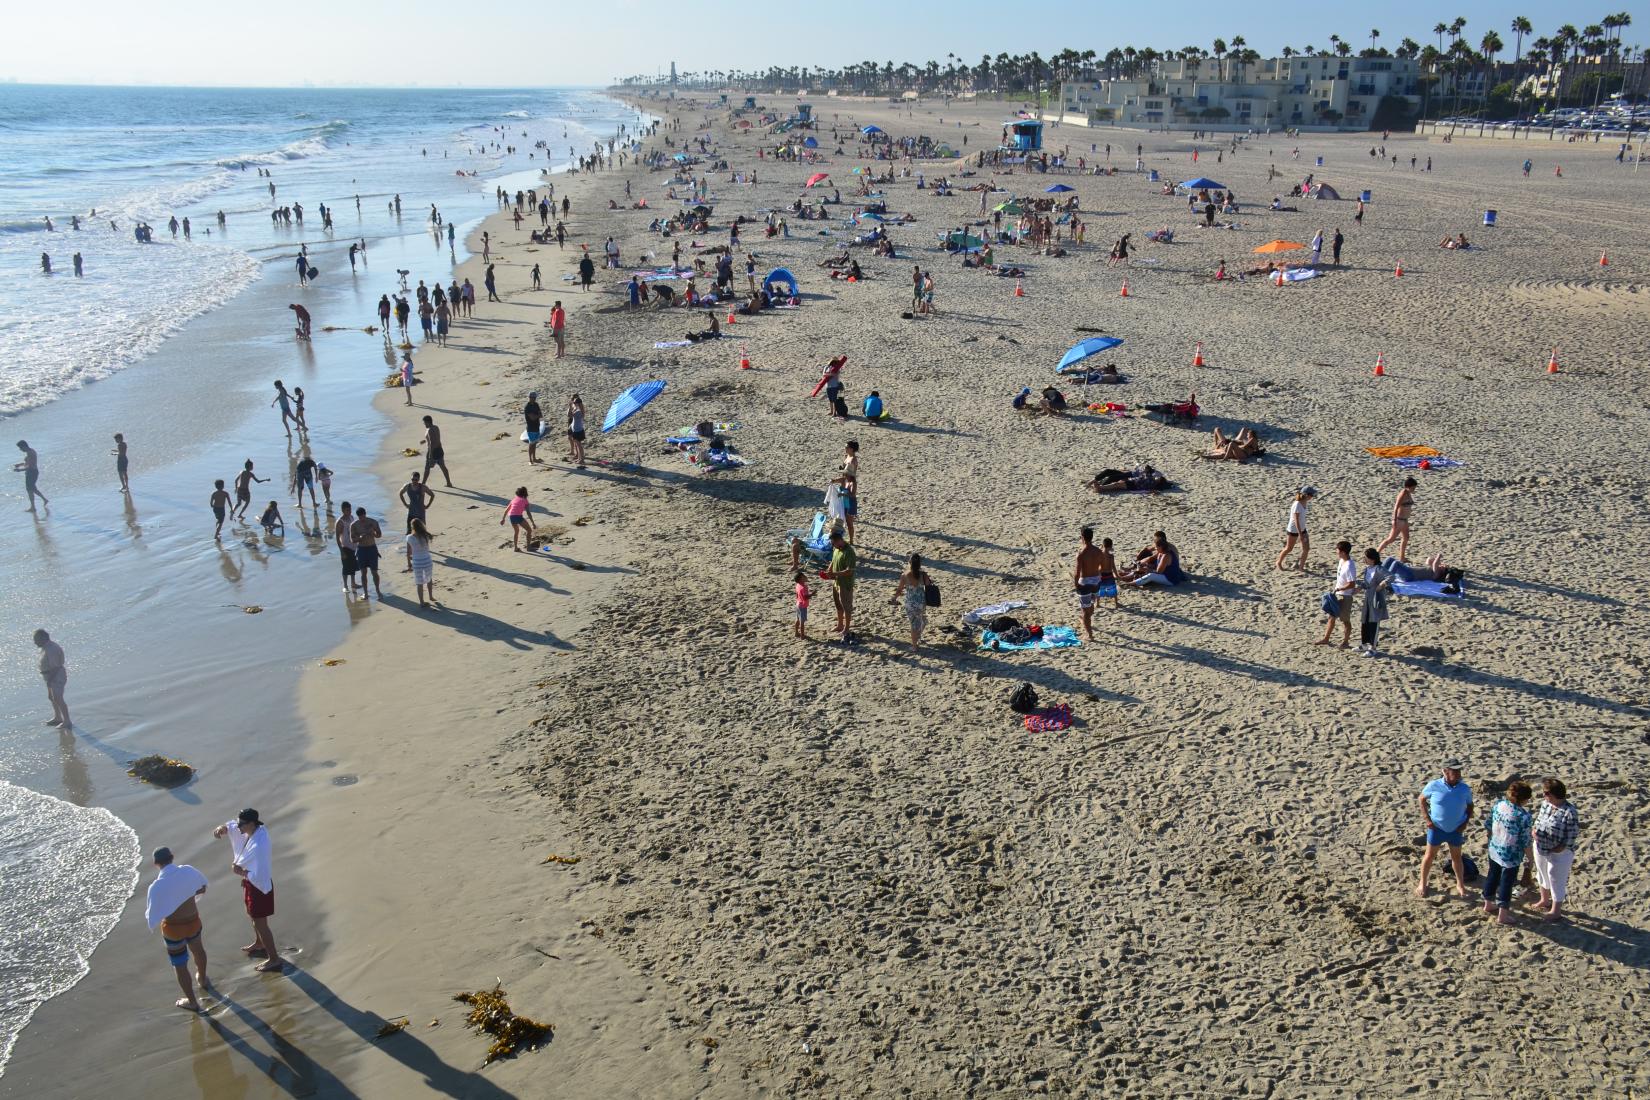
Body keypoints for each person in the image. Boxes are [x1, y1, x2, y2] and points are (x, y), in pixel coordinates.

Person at [213, 809, 284, 972]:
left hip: (259, 886)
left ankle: (274, 959)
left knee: (261, 923)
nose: (238, 827)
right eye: (238, 823)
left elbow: (259, 874)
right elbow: (231, 826)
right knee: (252, 915)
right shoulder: (257, 830)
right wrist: (222, 828)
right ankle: (259, 942)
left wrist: (241, 871)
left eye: (241, 824)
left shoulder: (258, 846)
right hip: (251, 884)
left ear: (251, 824)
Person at [145, 847, 210, 1010]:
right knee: (198, 951)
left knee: (180, 964)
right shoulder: (187, 871)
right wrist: (186, 894)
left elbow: (152, 915)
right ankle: (202, 978)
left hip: (173, 929)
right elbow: (202, 887)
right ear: (172, 857)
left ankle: (193, 1002)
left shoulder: (156, 886)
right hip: (193, 922)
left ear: (155, 864)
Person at [1417, 760, 1474, 898]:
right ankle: (1422, 883)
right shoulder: (1434, 785)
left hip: (1456, 830)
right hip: (1437, 829)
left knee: (1457, 857)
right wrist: (1427, 820)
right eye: (1454, 771)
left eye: (1459, 770)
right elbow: (1421, 799)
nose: (1458, 773)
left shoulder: (1464, 789)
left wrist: (1465, 823)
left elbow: (1470, 806)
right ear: (1445, 771)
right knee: (1429, 856)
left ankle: (1460, 884)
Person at [1483, 781, 1534, 926]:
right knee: (1506, 883)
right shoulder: (1523, 816)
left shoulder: (1499, 804)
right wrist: (1530, 859)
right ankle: (1502, 915)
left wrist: (1493, 840)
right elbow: (1526, 841)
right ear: (1524, 799)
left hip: (1494, 848)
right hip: (1511, 855)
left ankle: (1488, 903)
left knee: (1492, 876)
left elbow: (1488, 824)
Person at [1531, 777, 1579, 923]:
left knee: (1556, 878)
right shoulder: (1546, 804)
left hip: (1559, 852)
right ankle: (1544, 900)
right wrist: (1534, 831)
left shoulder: (1569, 812)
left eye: (1546, 793)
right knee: (1541, 872)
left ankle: (1556, 910)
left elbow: (1572, 834)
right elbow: (1539, 819)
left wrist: (1561, 847)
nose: (1544, 796)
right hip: (1540, 845)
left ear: (1554, 794)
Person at [1315, 541, 1358, 647]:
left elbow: (1352, 584)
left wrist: (1340, 588)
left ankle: (1345, 641)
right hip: (1337, 593)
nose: (1336, 552)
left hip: (1346, 596)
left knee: (1345, 620)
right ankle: (1326, 638)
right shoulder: (1341, 561)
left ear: (1343, 552)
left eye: (1337, 550)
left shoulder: (1350, 566)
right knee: (1331, 616)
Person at [1073, 527, 1112, 641]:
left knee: (1085, 610)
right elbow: (1102, 566)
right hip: (1096, 581)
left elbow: (1077, 573)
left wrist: (1076, 585)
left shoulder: (1081, 554)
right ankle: (1086, 620)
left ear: (1083, 538)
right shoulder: (1098, 551)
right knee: (1090, 605)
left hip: (1085, 582)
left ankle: (1089, 634)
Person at [889, 552, 933, 648]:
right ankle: (917, 637)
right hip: (921, 602)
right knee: (922, 620)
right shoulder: (923, 574)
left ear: (909, 562)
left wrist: (894, 598)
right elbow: (929, 585)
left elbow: (899, 590)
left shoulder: (905, 575)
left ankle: (914, 646)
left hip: (910, 603)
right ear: (920, 564)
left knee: (914, 623)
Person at [821, 527, 857, 643]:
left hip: (845, 584)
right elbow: (833, 560)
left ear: (839, 540)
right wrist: (829, 570)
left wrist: (834, 573)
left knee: (846, 606)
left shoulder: (849, 552)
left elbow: (849, 571)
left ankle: (846, 628)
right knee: (838, 605)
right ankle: (840, 624)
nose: (833, 546)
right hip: (836, 582)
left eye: (833, 543)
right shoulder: (837, 549)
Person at [1357, 548, 1392, 656]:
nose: (1364, 559)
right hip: (1368, 597)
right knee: (1365, 620)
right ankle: (1364, 644)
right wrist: (1359, 587)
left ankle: (1373, 647)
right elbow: (1366, 584)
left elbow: (1391, 577)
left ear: (1372, 559)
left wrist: (1382, 585)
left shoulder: (1379, 569)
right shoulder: (1367, 569)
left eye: (1366, 558)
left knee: (1374, 621)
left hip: (1376, 598)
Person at [33, 629, 70, 728]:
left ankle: (67, 721)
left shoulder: (52, 649)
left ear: (44, 638)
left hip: (56, 676)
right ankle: (58, 717)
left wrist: (50, 680)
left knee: (58, 698)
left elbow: (56, 667)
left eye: (36, 639)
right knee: (52, 697)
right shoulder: (46, 647)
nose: (35, 642)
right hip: (49, 676)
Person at [1375, 477, 1417, 562]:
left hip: (1404, 520)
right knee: (1391, 539)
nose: (1414, 489)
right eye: (1413, 487)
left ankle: (1402, 557)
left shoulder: (1408, 493)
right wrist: (1394, 520)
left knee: (1406, 538)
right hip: (1399, 519)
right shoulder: (1403, 493)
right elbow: (1396, 507)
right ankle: (1375, 554)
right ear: (1408, 486)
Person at [1275, 487, 1316, 571]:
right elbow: (1296, 520)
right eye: (1311, 495)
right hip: (1293, 530)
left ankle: (1301, 567)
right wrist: (1300, 535)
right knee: (1289, 548)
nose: (1312, 497)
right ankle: (1278, 562)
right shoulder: (1297, 504)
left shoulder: (1304, 502)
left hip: (1302, 529)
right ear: (1306, 495)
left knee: (1306, 548)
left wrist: (1302, 532)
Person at [350, 507, 383, 597]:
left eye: (363, 516)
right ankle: (366, 592)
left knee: (374, 572)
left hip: (372, 548)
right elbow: (352, 540)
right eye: (360, 517)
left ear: (365, 514)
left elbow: (379, 534)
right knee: (363, 572)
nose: (362, 519)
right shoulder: (354, 525)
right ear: (358, 516)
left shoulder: (373, 522)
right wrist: (360, 538)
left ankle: (378, 590)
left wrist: (374, 534)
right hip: (361, 549)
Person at [406, 517, 437, 608]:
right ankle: (431, 596)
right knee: (429, 579)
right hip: (427, 560)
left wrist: (409, 563)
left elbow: (408, 552)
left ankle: (422, 602)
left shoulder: (409, 538)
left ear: (412, 527)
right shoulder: (426, 535)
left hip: (417, 561)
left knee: (419, 582)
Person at [334, 502, 360, 596]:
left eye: (350, 509)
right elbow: (337, 537)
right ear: (343, 510)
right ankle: (345, 586)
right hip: (345, 547)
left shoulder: (352, 517)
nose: (349, 511)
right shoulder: (340, 522)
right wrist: (341, 551)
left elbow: (354, 530)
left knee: (353, 566)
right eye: (347, 510)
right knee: (346, 567)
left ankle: (353, 583)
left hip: (353, 546)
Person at [15, 440, 47, 510]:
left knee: (30, 489)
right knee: (32, 489)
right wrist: (20, 464)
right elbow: (28, 462)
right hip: (32, 472)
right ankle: (43, 500)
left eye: (20, 448)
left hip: (32, 473)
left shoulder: (30, 453)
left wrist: (19, 470)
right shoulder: (31, 451)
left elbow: (30, 466)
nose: (20, 450)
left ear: (24, 446)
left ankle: (33, 507)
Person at [420, 416, 452, 487]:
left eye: (424, 423)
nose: (424, 424)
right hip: (439, 449)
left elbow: (432, 443)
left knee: (427, 468)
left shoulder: (429, 430)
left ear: (428, 422)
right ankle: (449, 483)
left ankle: (423, 484)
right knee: (443, 467)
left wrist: (430, 456)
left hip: (432, 451)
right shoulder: (436, 427)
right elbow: (435, 438)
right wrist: (425, 441)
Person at [501, 486, 535, 551]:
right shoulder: (525, 500)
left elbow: (506, 510)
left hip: (511, 516)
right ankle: (528, 547)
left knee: (516, 531)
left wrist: (503, 519)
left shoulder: (513, 499)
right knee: (529, 530)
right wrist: (533, 523)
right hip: (518, 516)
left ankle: (516, 548)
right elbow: (528, 512)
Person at [523, 392, 544, 464]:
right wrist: (536, 415)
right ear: (530, 397)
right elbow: (532, 418)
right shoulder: (527, 407)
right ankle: (530, 460)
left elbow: (541, 415)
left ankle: (534, 458)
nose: (534, 399)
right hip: (531, 428)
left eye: (535, 397)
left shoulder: (536, 404)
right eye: (533, 397)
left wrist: (536, 416)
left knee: (534, 443)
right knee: (531, 443)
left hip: (537, 426)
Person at [566, 394, 586, 468]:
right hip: (577, 429)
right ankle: (580, 458)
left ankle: (582, 459)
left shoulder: (578, 411)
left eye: (574, 403)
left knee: (579, 445)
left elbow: (569, 415)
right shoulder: (579, 410)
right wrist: (572, 407)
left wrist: (571, 407)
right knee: (578, 445)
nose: (573, 403)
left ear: (577, 404)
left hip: (578, 430)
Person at [793, 569, 812, 639]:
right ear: (801, 579)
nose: (806, 577)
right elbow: (806, 597)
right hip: (803, 606)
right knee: (802, 621)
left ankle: (796, 632)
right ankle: (802, 635)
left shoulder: (798, 585)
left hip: (798, 604)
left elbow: (797, 595)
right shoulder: (804, 587)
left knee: (797, 619)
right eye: (804, 576)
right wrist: (812, 594)